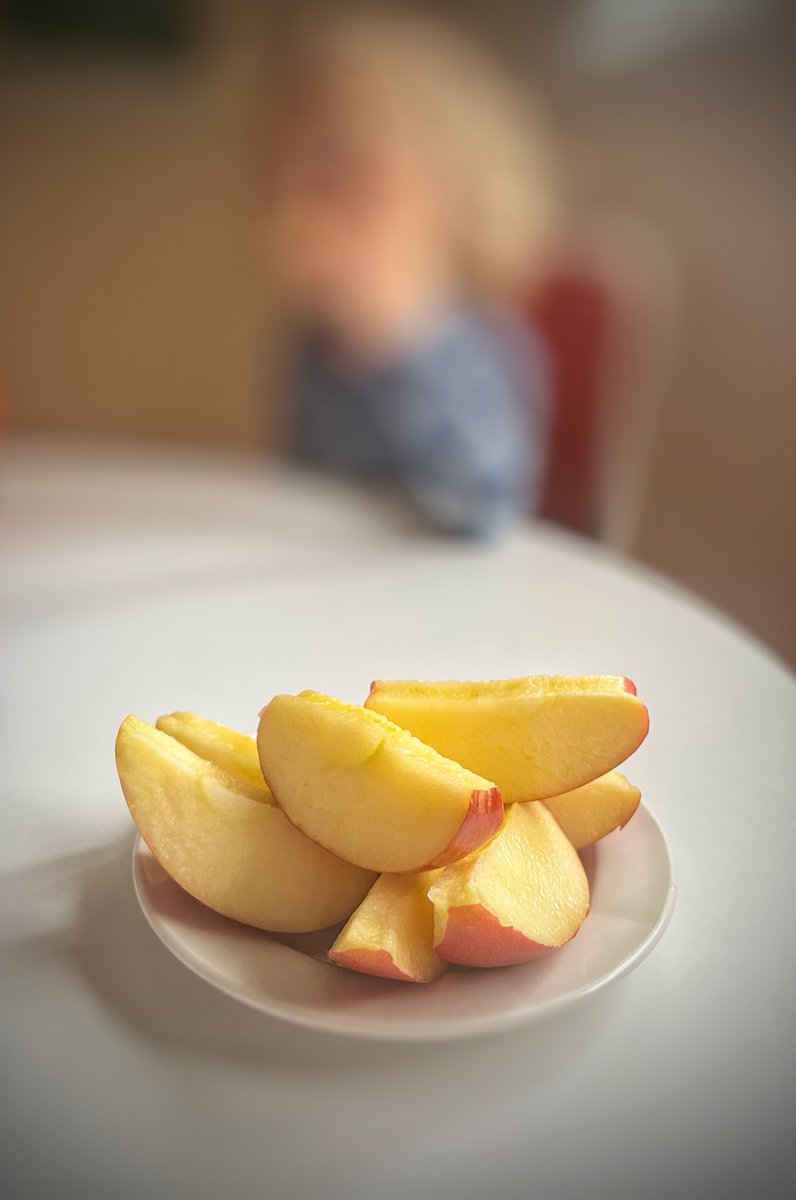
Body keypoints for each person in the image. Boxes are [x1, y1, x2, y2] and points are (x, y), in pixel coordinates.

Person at [262, 8, 557, 536]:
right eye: (300, 168)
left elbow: (487, 507)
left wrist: (387, 330)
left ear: (452, 194)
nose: (314, 198)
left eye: (346, 170)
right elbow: (300, 491)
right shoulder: (313, 342)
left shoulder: (485, 342)